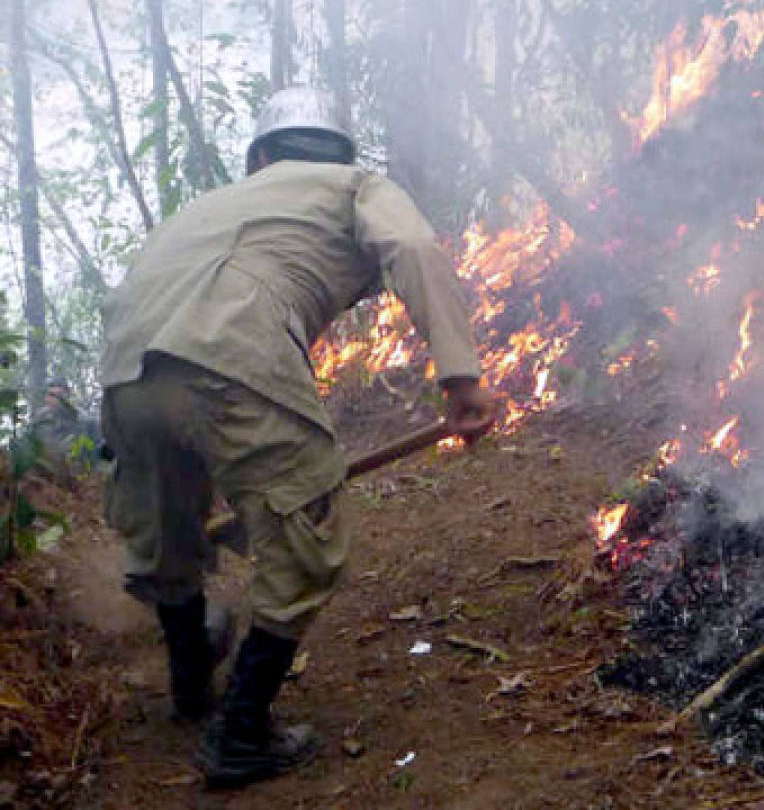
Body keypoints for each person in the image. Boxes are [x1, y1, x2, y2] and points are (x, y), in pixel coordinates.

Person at [99, 86, 495, 788]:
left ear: (260, 156)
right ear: (339, 151)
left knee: (168, 533)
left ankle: (192, 682)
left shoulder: (208, 205)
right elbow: (409, 244)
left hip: (126, 372)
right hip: (231, 353)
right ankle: (241, 731)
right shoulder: (354, 185)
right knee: (303, 532)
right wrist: (460, 377)